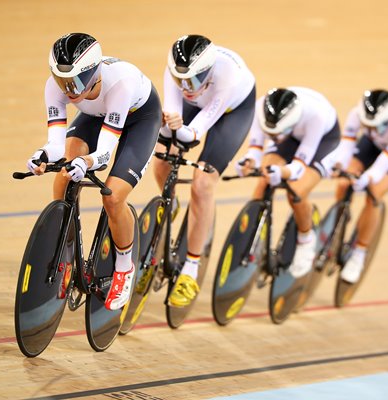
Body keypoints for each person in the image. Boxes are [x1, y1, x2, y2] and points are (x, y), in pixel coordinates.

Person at [25, 33, 162, 310]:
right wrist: (41, 155)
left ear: (93, 72)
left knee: (112, 197)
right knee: (64, 175)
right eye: (62, 81)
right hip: (96, 113)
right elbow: (55, 144)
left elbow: (103, 154)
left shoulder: (120, 83)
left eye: (75, 81)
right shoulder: (56, 87)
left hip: (140, 118)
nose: (69, 90)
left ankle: (124, 268)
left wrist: (86, 163)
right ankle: (65, 246)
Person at [155, 34, 256, 307]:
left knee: (202, 183)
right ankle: (172, 202)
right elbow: (173, 111)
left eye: (194, 80)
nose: (187, 87)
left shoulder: (227, 76)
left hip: (231, 112)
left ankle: (191, 268)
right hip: (197, 107)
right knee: (162, 157)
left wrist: (178, 128)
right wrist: (170, 123)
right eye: (180, 81)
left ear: (208, 71)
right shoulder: (177, 71)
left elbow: (194, 133)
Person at [236, 87, 341, 279]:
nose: (272, 137)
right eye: (270, 133)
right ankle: (254, 238)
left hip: (322, 140)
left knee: (296, 191)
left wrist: (282, 172)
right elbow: (255, 149)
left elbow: (299, 167)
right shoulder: (261, 107)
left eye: (275, 134)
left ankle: (306, 240)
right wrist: (248, 162)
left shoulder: (315, 116)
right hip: (289, 135)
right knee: (263, 182)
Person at [334, 89, 388, 283]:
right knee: (344, 181)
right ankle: (336, 226)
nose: (369, 126)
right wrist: (339, 166)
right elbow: (346, 146)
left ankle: (359, 254)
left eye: (375, 125)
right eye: (367, 124)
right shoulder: (356, 113)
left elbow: (381, 167)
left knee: (375, 193)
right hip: (372, 143)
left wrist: (367, 178)